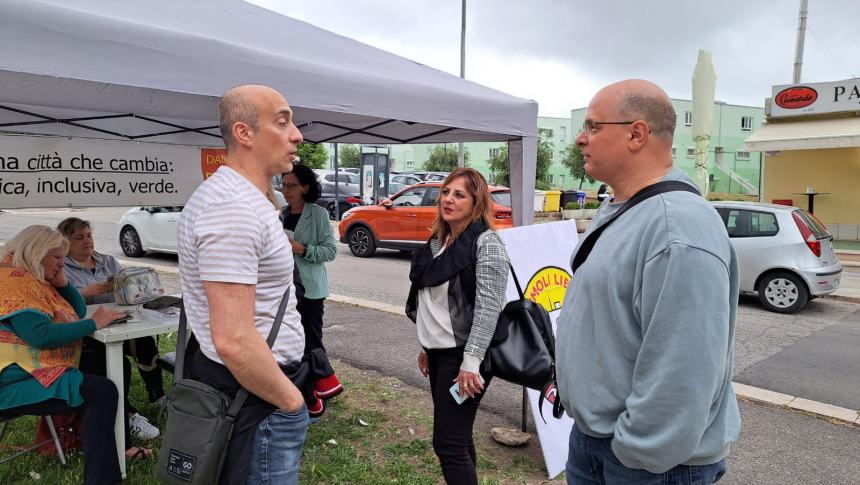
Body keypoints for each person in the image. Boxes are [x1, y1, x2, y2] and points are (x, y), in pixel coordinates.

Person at [555, 79, 740, 484]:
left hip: (646, 463)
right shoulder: (622, 209)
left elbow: (684, 366)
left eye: (592, 127)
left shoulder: (678, 226)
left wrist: (636, 449)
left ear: (636, 133)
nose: (581, 140)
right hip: (597, 443)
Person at [177, 84, 309, 484]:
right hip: (256, 395)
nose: (297, 134)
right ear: (244, 133)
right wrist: (291, 401)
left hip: (250, 386)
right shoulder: (233, 208)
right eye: (282, 121)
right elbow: (232, 339)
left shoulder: (243, 198)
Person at [0, 225, 146, 485]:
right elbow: (40, 335)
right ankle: (104, 477)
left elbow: (76, 310)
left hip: (25, 371)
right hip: (12, 381)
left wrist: (62, 281)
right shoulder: (14, 280)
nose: (61, 263)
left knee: (102, 372)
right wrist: (95, 324)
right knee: (101, 392)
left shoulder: (30, 277)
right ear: (36, 252)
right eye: (57, 257)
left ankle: (104, 463)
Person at [406, 168, 510, 485]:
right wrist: (428, 347)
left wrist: (471, 362)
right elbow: (434, 305)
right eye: (446, 192)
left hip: (466, 358)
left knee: (448, 444)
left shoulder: (486, 243)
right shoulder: (439, 242)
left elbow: (489, 307)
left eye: (459, 194)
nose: (449, 200)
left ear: (476, 202)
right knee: (459, 438)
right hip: (440, 356)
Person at [57, 217, 163, 441]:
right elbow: (59, 305)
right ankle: (128, 414)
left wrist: (129, 287)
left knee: (144, 343)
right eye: (79, 238)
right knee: (113, 361)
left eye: (89, 236)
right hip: (85, 331)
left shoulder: (107, 261)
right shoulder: (60, 267)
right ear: (65, 242)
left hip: (116, 320)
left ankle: (157, 395)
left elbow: (126, 293)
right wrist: (86, 292)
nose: (87, 242)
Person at [280, 164, 342, 412]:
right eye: (283, 185)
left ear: (306, 187)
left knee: (312, 340)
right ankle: (303, 388)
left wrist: (302, 249)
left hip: (310, 288)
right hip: (286, 288)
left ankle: (324, 387)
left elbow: (330, 251)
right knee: (294, 341)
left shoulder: (317, 214)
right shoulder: (282, 213)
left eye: (291, 185)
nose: (286, 190)